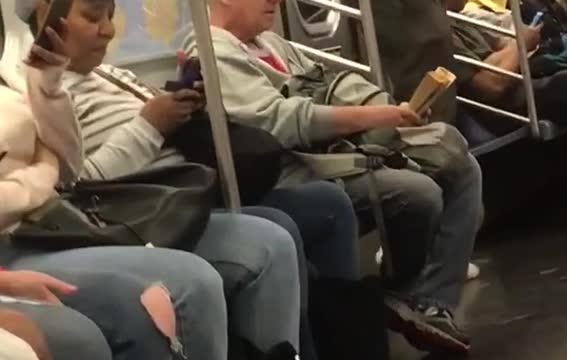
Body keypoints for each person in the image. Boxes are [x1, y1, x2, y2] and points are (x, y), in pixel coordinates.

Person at [16, 1, 354, 359]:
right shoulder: (39, 94)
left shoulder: (113, 75)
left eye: (111, 17)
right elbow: (74, 185)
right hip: (136, 212)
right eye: (92, 17)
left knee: (324, 204)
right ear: (46, 21)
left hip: (188, 191)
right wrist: (150, 125)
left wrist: (186, 108)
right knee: (271, 238)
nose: (109, 30)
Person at [181, 0, 484, 354]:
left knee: (460, 164)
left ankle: (431, 302)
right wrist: (373, 117)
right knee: (416, 192)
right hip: (300, 167)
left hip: (341, 150)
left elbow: (328, 83)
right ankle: (398, 294)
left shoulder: (272, 44)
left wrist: (391, 109)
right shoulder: (211, 50)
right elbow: (282, 121)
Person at [446, 0, 567, 207]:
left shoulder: (458, 23)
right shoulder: (443, 37)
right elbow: (492, 86)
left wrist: (506, 55)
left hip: (528, 76)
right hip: (513, 102)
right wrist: (518, 47)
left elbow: (503, 48)